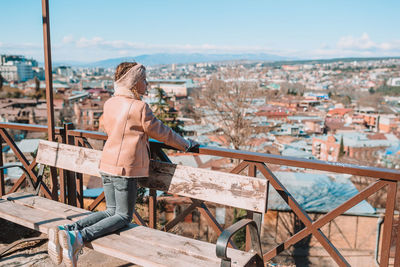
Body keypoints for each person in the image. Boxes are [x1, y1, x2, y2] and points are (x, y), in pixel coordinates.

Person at [47, 62, 199, 267]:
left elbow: (104, 126)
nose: (147, 84)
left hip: (107, 163)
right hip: (125, 168)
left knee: (111, 211)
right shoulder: (139, 107)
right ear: (135, 84)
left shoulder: (110, 103)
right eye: (144, 80)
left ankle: (67, 230)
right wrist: (186, 144)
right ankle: (80, 237)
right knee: (123, 216)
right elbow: (164, 133)